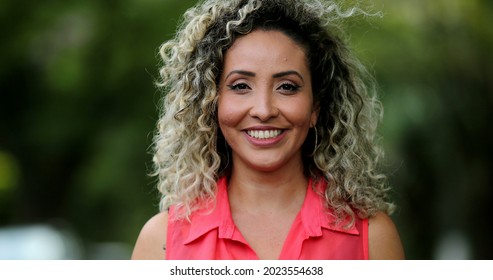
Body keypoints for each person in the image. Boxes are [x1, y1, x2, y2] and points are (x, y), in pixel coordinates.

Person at [132, 0, 404, 260]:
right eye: (240, 86)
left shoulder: (372, 238)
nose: (263, 109)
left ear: (315, 108)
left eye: (287, 86)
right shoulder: (162, 243)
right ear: (211, 103)